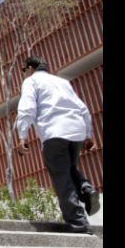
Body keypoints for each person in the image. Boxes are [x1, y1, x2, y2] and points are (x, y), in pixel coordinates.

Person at [16, 56, 100, 234]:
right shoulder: (63, 82)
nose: (24, 74)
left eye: (24, 70)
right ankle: (86, 188)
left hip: (54, 132)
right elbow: (83, 108)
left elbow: (27, 108)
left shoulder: (31, 82)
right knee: (69, 168)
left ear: (30, 68)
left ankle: (79, 225)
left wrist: (22, 135)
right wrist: (88, 135)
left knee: (61, 178)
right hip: (76, 130)